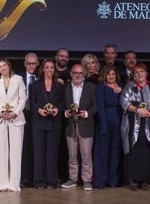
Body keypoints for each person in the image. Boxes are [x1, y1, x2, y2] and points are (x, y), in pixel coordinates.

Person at [120, 63, 150, 191]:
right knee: (134, 150)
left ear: (146, 73)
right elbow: (123, 102)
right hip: (133, 123)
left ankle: (144, 180)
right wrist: (137, 110)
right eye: (136, 72)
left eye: (142, 71)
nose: (139, 74)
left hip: (149, 124)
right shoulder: (129, 86)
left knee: (146, 151)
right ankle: (132, 179)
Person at [0, 58, 27, 192]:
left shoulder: (18, 79)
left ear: (9, 66)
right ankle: (1, 183)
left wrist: (15, 113)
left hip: (16, 119)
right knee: (1, 151)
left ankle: (13, 184)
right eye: (0, 66)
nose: (2, 68)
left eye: (4, 65)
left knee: (16, 152)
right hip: (0, 119)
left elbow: (23, 99)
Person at [61, 63, 97, 191]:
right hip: (70, 125)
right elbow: (61, 106)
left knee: (86, 155)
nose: (78, 75)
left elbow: (95, 106)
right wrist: (66, 113)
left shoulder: (91, 88)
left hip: (85, 125)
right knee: (72, 155)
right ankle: (73, 179)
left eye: (80, 73)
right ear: (71, 74)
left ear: (84, 75)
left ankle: (87, 180)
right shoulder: (65, 88)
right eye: (75, 72)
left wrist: (86, 113)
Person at [29, 59, 64, 189]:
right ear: (42, 69)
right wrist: (38, 109)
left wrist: (57, 109)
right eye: (47, 67)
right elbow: (31, 101)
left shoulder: (60, 85)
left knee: (52, 154)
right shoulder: (35, 85)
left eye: (52, 68)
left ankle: (51, 181)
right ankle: (39, 181)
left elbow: (62, 102)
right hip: (39, 122)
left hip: (54, 123)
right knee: (39, 153)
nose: (49, 70)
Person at [93, 65, 123, 189]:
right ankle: (100, 181)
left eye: (113, 74)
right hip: (104, 123)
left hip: (118, 123)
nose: (111, 77)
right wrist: (104, 125)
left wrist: (121, 91)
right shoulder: (101, 88)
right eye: (109, 74)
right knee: (102, 152)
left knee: (115, 153)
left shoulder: (121, 89)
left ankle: (113, 180)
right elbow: (100, 107)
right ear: (104, 75)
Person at [20, 52, 39, 188]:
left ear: (37, 64)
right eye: (29, 63)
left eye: (34, 63)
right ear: (24, 63)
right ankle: (24, 176)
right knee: (23, 146)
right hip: (21, 115)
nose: (31, 66)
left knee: (35, 146)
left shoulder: (42, 78)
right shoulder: (17, 77)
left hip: (37, 116)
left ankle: (35, 175)